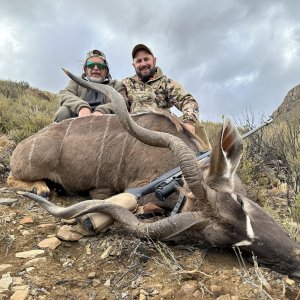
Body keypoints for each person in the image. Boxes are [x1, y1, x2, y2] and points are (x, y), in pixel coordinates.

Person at [122, 44, 211, 151]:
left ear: (154, 61)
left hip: (162, 129)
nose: (143, 64)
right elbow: (115, 101)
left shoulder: (166, 83)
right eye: (139, 61)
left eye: (146, 59)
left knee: (197, 125)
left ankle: (204, 160)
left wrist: (189, 123)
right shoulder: (126, 83)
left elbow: (188, 101)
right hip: (134, 129)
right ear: (133, 65)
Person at [54, 49, 128, 122]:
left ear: (106, 70)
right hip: (79, 120)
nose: (95, 68)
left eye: (100, 65)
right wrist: (82, 107)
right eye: (91, 65)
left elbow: (123, 101)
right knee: (63, 112)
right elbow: (65, 94)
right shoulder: (75, 82)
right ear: (85, 69)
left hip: (105, 121)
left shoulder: (116, 85)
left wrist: (102, 111)